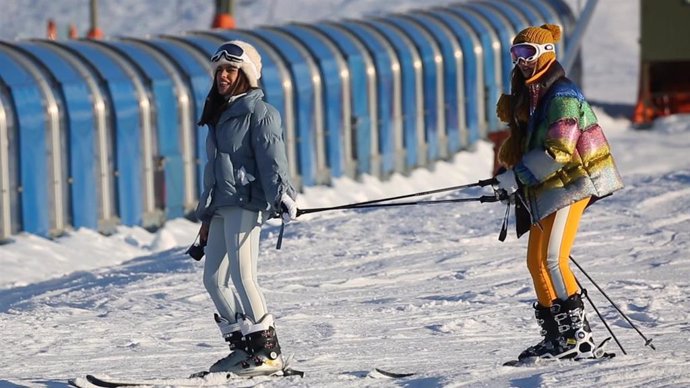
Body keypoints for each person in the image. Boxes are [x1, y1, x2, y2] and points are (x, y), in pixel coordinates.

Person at [492, 24, 624, 362]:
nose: (521, 61)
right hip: (551, 184)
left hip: (576, 181)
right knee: (536, 261)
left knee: (553, 258)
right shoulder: (533, 92)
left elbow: (560, 151)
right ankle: (557, 337)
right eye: (516, 54)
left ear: (546, 54)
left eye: (528, 54)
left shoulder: (561, 94)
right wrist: (511, 175)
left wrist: (518, 177)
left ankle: (578, 340)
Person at [194, 40, 298, 376]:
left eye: (230, 70)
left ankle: (267, 354)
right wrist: (207, 215)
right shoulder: (221, 113)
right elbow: (215, 170)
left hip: (246, 203)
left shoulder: (259, 113)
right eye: (219, 71)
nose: (222, 76)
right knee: (214, 280)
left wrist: (282, 194)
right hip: (222, 205)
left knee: (243, 277)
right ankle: (243, 349)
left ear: (245, 74)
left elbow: (272, 158)